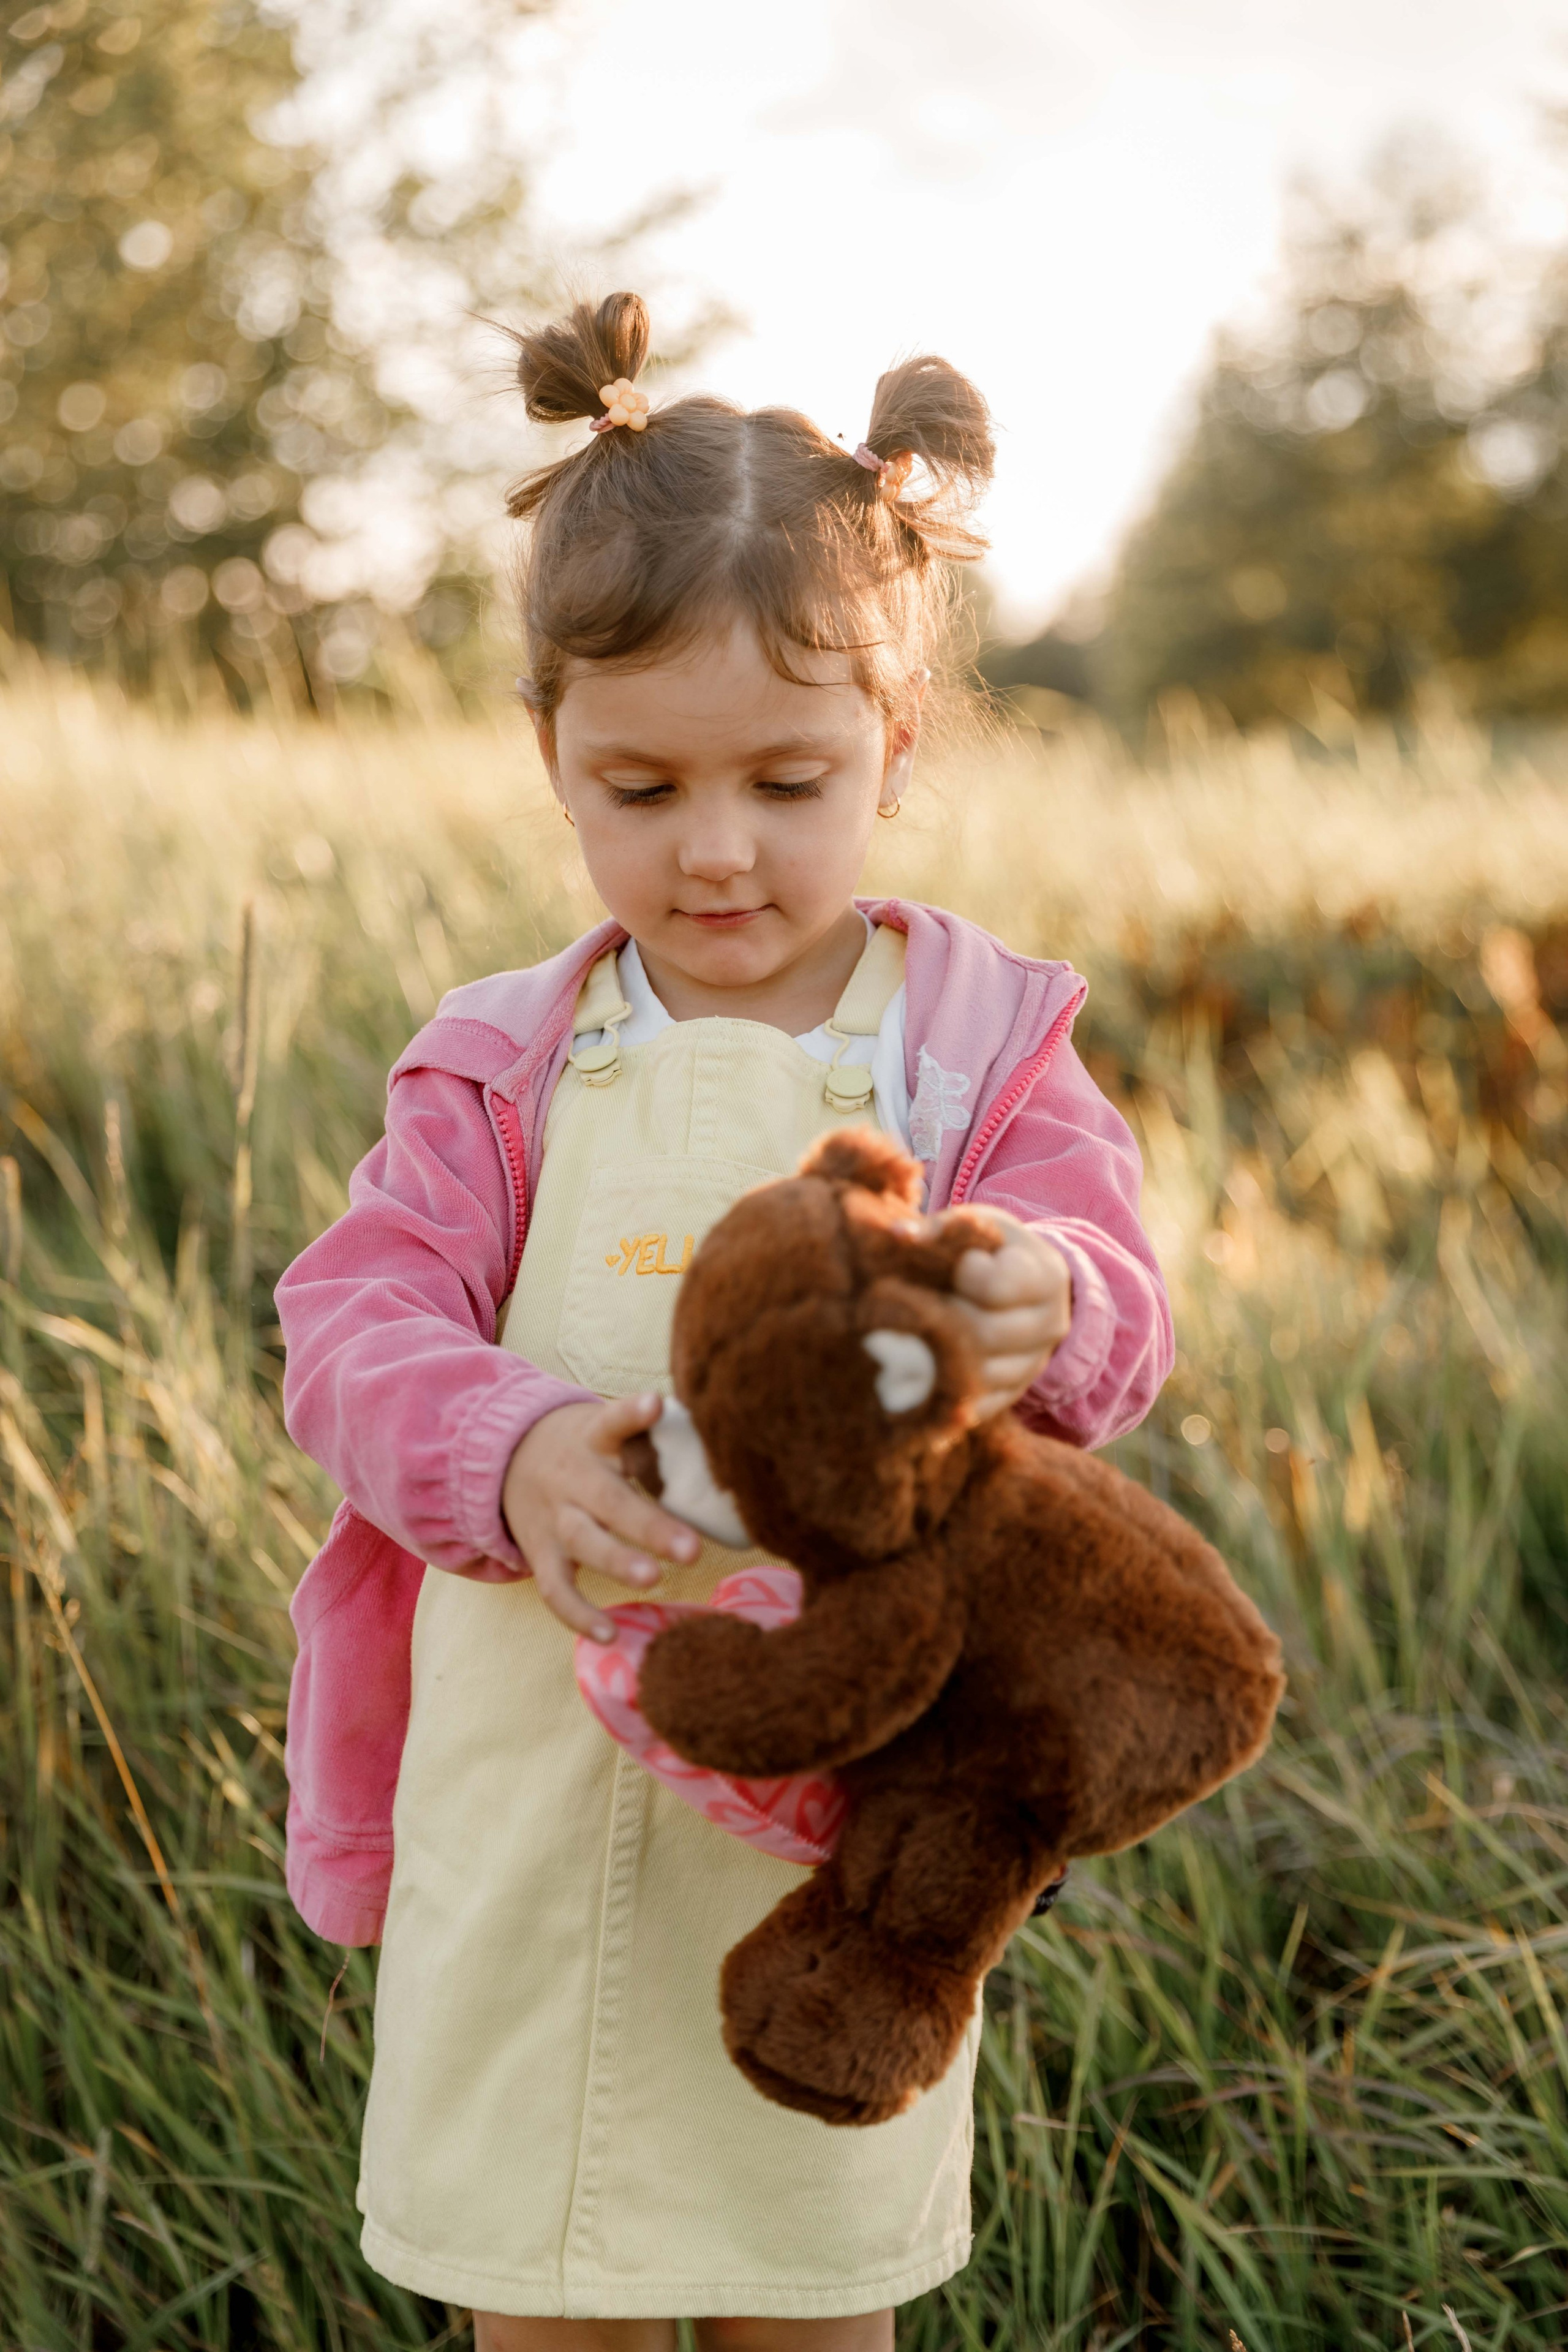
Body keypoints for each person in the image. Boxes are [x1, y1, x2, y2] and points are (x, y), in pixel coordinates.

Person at [276, 292, 1173, 2352]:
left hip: (845, 1834)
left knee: (810, 2290)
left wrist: (1056, 1297)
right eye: (642, 786)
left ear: (897, 741)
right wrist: (500, 1446)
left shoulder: (976, 1049)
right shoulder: (499, 1060)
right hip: (531, 1804)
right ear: (553, 755)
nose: (718, 850)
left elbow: (1116, 1309)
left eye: (788, 779)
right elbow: (350, 1323)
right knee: (544, 2291)